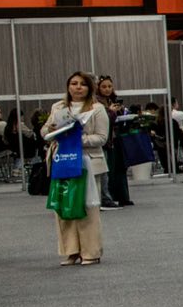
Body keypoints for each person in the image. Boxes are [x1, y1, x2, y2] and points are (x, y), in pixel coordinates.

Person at [45, 71, 110, 266]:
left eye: (82, 84)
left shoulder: (97, 109)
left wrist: (77, 140)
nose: (78, 87)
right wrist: (51, 130)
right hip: (62, 161)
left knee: (88, 208)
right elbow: (45, 130)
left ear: (90, 87)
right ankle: (71, 251)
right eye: (74, 83)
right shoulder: (57, 107)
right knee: (63, 207)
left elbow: (101, 137)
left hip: (87, 162)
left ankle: (91, 251)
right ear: (68, 86)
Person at [95, 76, 135, 209]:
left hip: (116, 138)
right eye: (104, 87)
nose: (107, 89)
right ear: (98, 88)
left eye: (109, 86)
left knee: (120, 167)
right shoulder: (97, 103)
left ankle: (122, 196)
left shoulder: (112, 100)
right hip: (105, 140)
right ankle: (108, 198)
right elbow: (104, 121)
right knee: (108, 170)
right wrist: (111, 112)